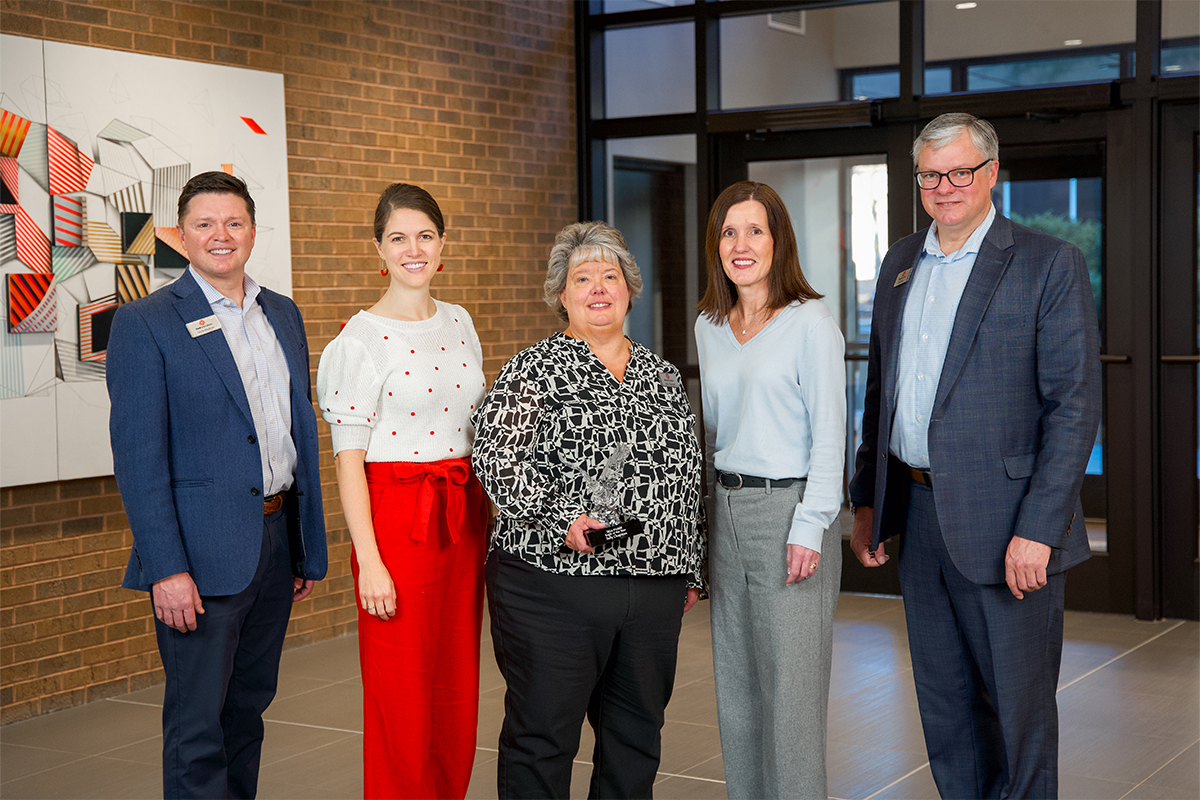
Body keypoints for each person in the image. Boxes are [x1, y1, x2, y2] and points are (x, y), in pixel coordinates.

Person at [848, 113, 1101, 799]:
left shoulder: (1047, 263)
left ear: (991, 172)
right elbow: (882, 393)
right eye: (932, 174)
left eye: (961, 171)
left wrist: (1039, 529)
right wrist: (868, 499)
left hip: (1009, 524)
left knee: (1017, 718)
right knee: (947, 710)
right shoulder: (901, 262)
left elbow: (1073, 408)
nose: (946, 186)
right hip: (921, 518)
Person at [106, 171, 328, 799]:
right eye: (204, 224)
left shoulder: (281, 314)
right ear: (180, 235)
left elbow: (293, 432)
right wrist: (165, 569)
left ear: (253, 231)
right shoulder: (145, 323)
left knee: (247, 712)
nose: (220, 235)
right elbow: (140, 462)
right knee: (198, 727)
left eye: (234, 222)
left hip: (276, 541)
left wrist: (303, 542)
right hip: (199, 562)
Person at [472, 221, 705, 799]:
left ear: (630, 288)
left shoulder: (664, 376)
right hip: (553, 588)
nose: (599, 287)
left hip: (651, 587)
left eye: (611, 275)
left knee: (636, 738)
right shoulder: (532, 371)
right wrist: (560, 518)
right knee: (543, 738)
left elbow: (686, 475)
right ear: (561, 295)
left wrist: (691, 565)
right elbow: (494, 454)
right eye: (583, 278)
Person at [316, 183, 488, 800]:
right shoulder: (357, 342)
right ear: (378, 250)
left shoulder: (459, 320)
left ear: (442, 244)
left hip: (462, 519)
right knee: (402, 696)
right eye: (397, 238)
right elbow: (347, 462)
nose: (412, 249)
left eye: (424, 235)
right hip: (396, 522)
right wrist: (370, 564)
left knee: (455, 687)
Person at [694, 181, 846, 799]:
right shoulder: (711, 325)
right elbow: (712, 432)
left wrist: (811, 523)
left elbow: (832, 432)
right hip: (727, 510)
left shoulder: (810, 322)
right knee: (737, 688)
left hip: (790, 511)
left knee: (792, 698)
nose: (741, 244)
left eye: (755, 230)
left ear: (778, 240)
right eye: (729, 232)